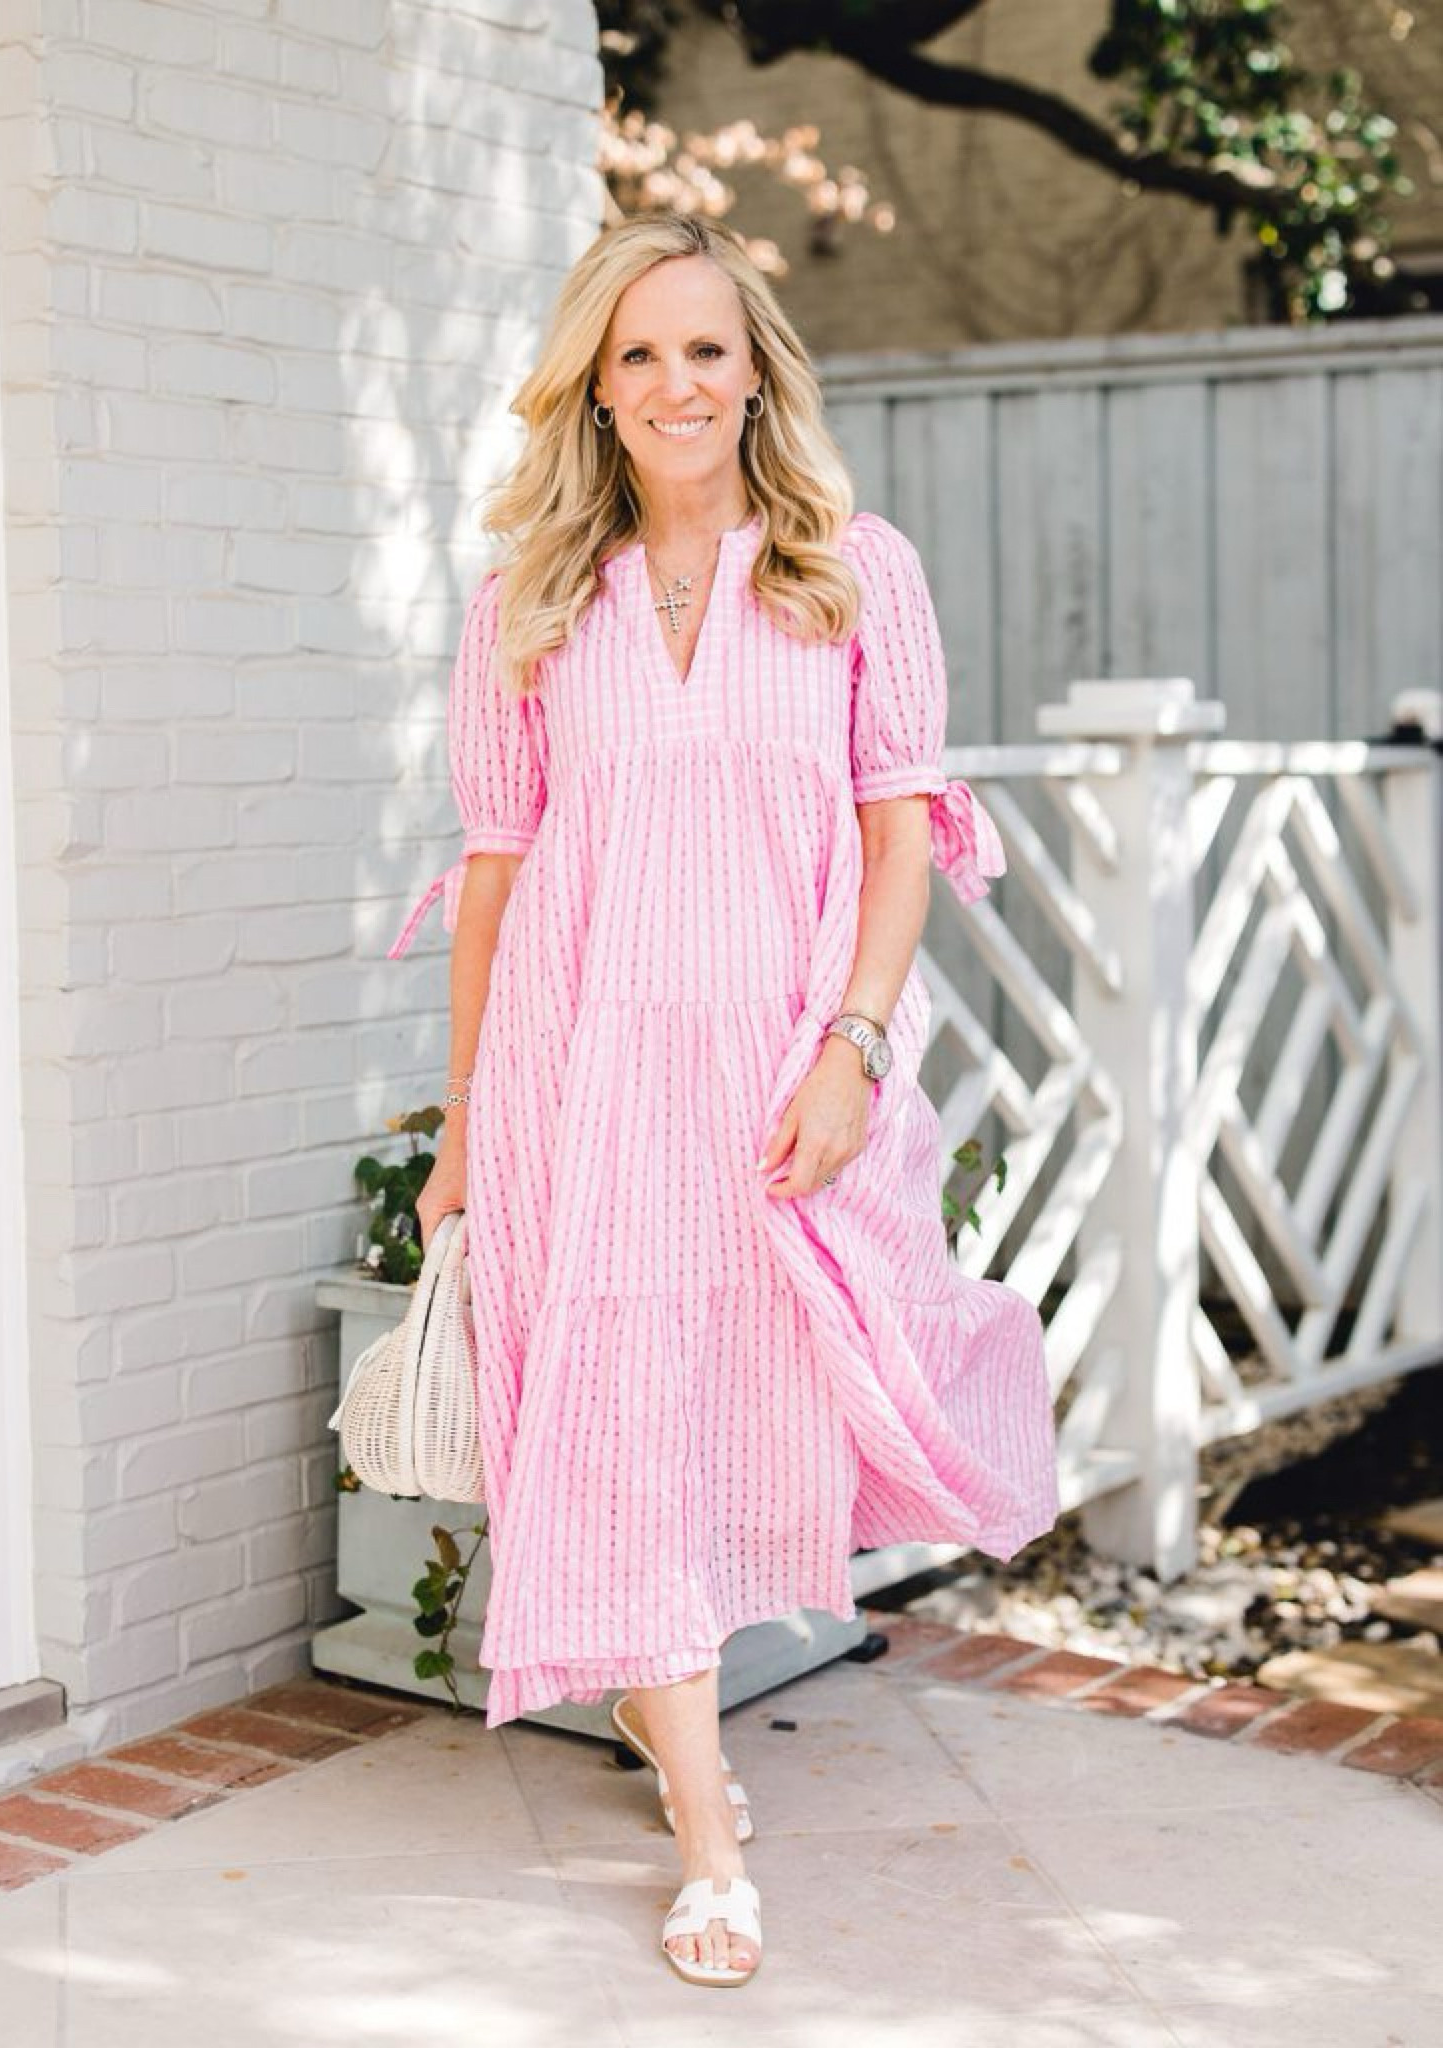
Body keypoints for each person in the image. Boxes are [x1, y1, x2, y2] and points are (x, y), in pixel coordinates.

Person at [392, 210, 1061, 1988]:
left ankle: (665, 1717)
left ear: (753, 364)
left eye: (705, 347)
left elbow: (898, 832)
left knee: (751, 1400)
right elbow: (493, 873)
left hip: (772, 1076)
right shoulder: (526, 603)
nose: (676, 383)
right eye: (637, 356)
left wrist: (850, 1044)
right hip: (575, 1077)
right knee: (606, 1428)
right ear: (593, 393)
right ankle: (707, 1842)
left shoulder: (851, 570)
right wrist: (464, 1119)